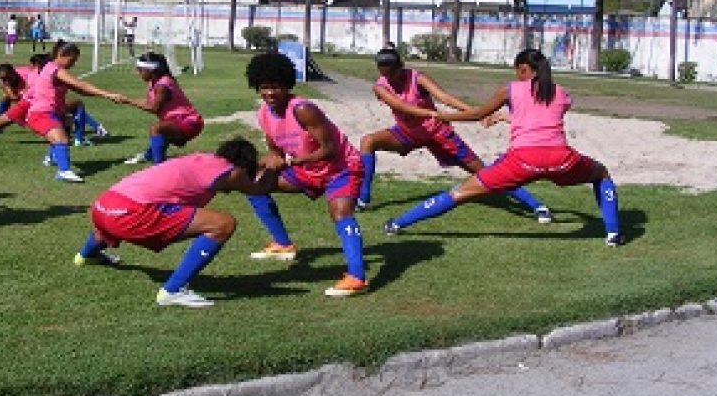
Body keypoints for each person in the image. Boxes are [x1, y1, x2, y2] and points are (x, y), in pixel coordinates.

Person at [383, 48, 623, 246]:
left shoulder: (511, 89)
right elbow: (539, 119)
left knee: (459, 193)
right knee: (601, 174)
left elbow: (478, 114)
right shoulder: (561, 92)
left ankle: (397, 223)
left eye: (518, 71)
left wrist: (444, 117)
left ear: (523, 69)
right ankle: (612, 233)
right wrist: (507, 118)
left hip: (522, 160)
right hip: (562, 159)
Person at [74, 137, 284, 308]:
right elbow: (258, 189)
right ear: (243, 165)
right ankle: (172, 291)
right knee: (223, 224)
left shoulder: (202, 160)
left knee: (118, 219)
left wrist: (262, 163)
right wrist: (273, 168)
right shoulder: (232, 172)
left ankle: (86, 256)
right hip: (130, 215)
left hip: (103, 207)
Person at [356, 46, 551, 221]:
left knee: (485, 172)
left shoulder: (417, 78)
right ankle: (363, 199)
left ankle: (536, 205)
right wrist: (431, 113)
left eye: (392, 74)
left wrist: (476, 113)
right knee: (368, 142)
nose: (388, 78)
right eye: (384, 74)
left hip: (437, 133)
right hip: (408, 133)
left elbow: (445, 98)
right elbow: (401, 106)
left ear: (401, 67)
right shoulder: (380, 86)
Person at [243, 51, 370, 298]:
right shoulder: (263, 114)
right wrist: (255, 164)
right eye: (264, 88)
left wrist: (293, 161)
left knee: (340, 213)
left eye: (275, 87)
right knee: (254, 184)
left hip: (341, 169)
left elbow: (330, 149)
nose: (269, 93)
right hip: (307, 170)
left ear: (287, 85)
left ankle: (357, 277)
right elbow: (276, 153)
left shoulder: (303, 109)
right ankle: (282, 245)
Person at [26, 41, 126, 182]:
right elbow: (81, 84)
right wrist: (109, 94)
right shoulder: (54, 69)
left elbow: (80, 90)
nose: (73, 64)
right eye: (72, 60)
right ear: (61, 55)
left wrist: (105, 96)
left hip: (54, 113)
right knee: (62, 139)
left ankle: (51, 158)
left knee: (65, 127)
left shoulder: (55, 70)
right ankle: (64, 171)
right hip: (40, 114)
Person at [121, 51, 204, 165]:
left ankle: (159, 167)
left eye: (140, 70)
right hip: (178, 121)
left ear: (151, 70)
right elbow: (149, 102)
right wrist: (126, 99)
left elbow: (154, 108)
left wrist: (128, 100)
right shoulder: (155, 81)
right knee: (161, 133)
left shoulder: (162, 85)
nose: (138, 73)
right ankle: (148, 156)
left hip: (189, 122)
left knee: (156, 129)